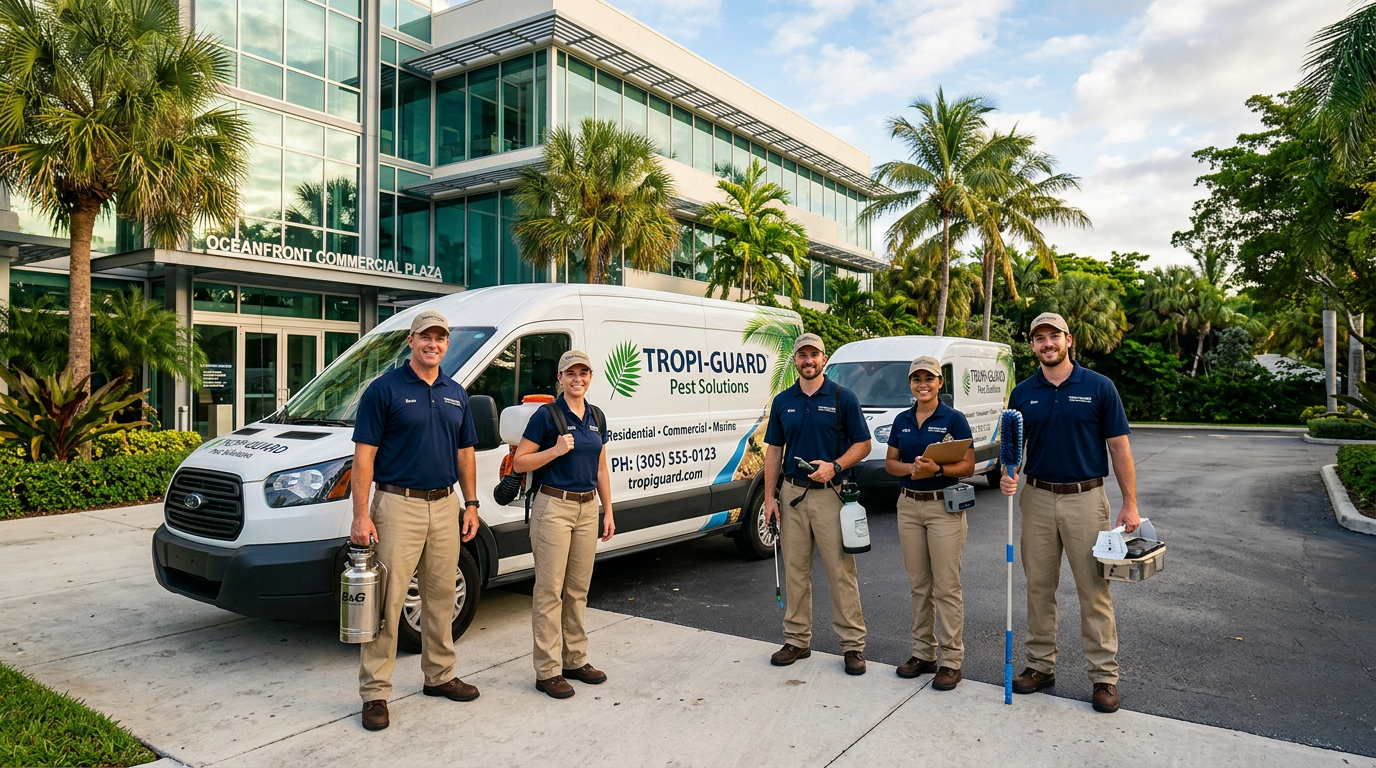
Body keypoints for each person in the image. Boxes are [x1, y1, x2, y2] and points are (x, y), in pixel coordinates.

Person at [1001, 312, 1139, 714]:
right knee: (1038, 588)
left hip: (1086, 499)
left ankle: (1103, 677)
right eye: (1039, 338)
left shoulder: (1099, 387)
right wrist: (1010, 475)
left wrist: (1129, 502)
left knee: (1093, 590)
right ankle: (1040, 667)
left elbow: (1119, 447)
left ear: (1069, 340)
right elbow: (1013, 450)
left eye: (1054, 336)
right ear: (1032, 346)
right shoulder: (1022, 393)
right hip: (1037, 497)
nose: (1047, 344)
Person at [350, 310, 482, 732]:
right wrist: (360, 514)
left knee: (441, 596)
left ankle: (440, 675)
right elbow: (364, 457)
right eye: (426, 337)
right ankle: (375, 694)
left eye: (440, 338)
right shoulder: (384, 390)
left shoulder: (456, 393)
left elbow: (465, 454)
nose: (433, 344)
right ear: (411, 341)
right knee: (387, 603)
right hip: (396, 505)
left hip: (445, 505)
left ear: (446, 344)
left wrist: (472, 503)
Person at [762, 333, 873, 675]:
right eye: (802, 355)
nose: (808, 360)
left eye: (814, 355)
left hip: (832, 496)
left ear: (824, 359)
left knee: (840, 572)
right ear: (795, 360)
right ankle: (797, 639)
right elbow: (774, 451)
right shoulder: (783, 401)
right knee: (795, 571)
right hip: (792, 495)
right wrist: (769, 497)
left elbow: (864, 444)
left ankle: (852, 646)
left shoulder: (843, 397)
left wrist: (836, 466)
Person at [512, 350, 616, 699]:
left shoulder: (597, 417)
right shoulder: (547, 416)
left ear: (590, 377)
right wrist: (554, 451)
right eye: (570, 373)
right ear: (560, 378)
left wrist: (608, 511)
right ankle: (547, 671)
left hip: (587, 508)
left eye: (583, 373)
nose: (577, 379)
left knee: (577, 590)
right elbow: (520, 461)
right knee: (549, 591)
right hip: (553, 507)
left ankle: (575, 659)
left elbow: (601, 468)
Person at [884, 356, 976, 691]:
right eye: (916, 379)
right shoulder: (902, 419)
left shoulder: (954, 419)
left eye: (929, 378)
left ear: (940, 382)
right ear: (911, 384)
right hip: (908, 506)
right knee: (919, 584)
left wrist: (935, 470)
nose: (922, 384)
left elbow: (968, 464)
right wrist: (911, 470)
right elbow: (890, 463)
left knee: (947, 586)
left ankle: (951, 661)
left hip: (943, 509)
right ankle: (924, 654)